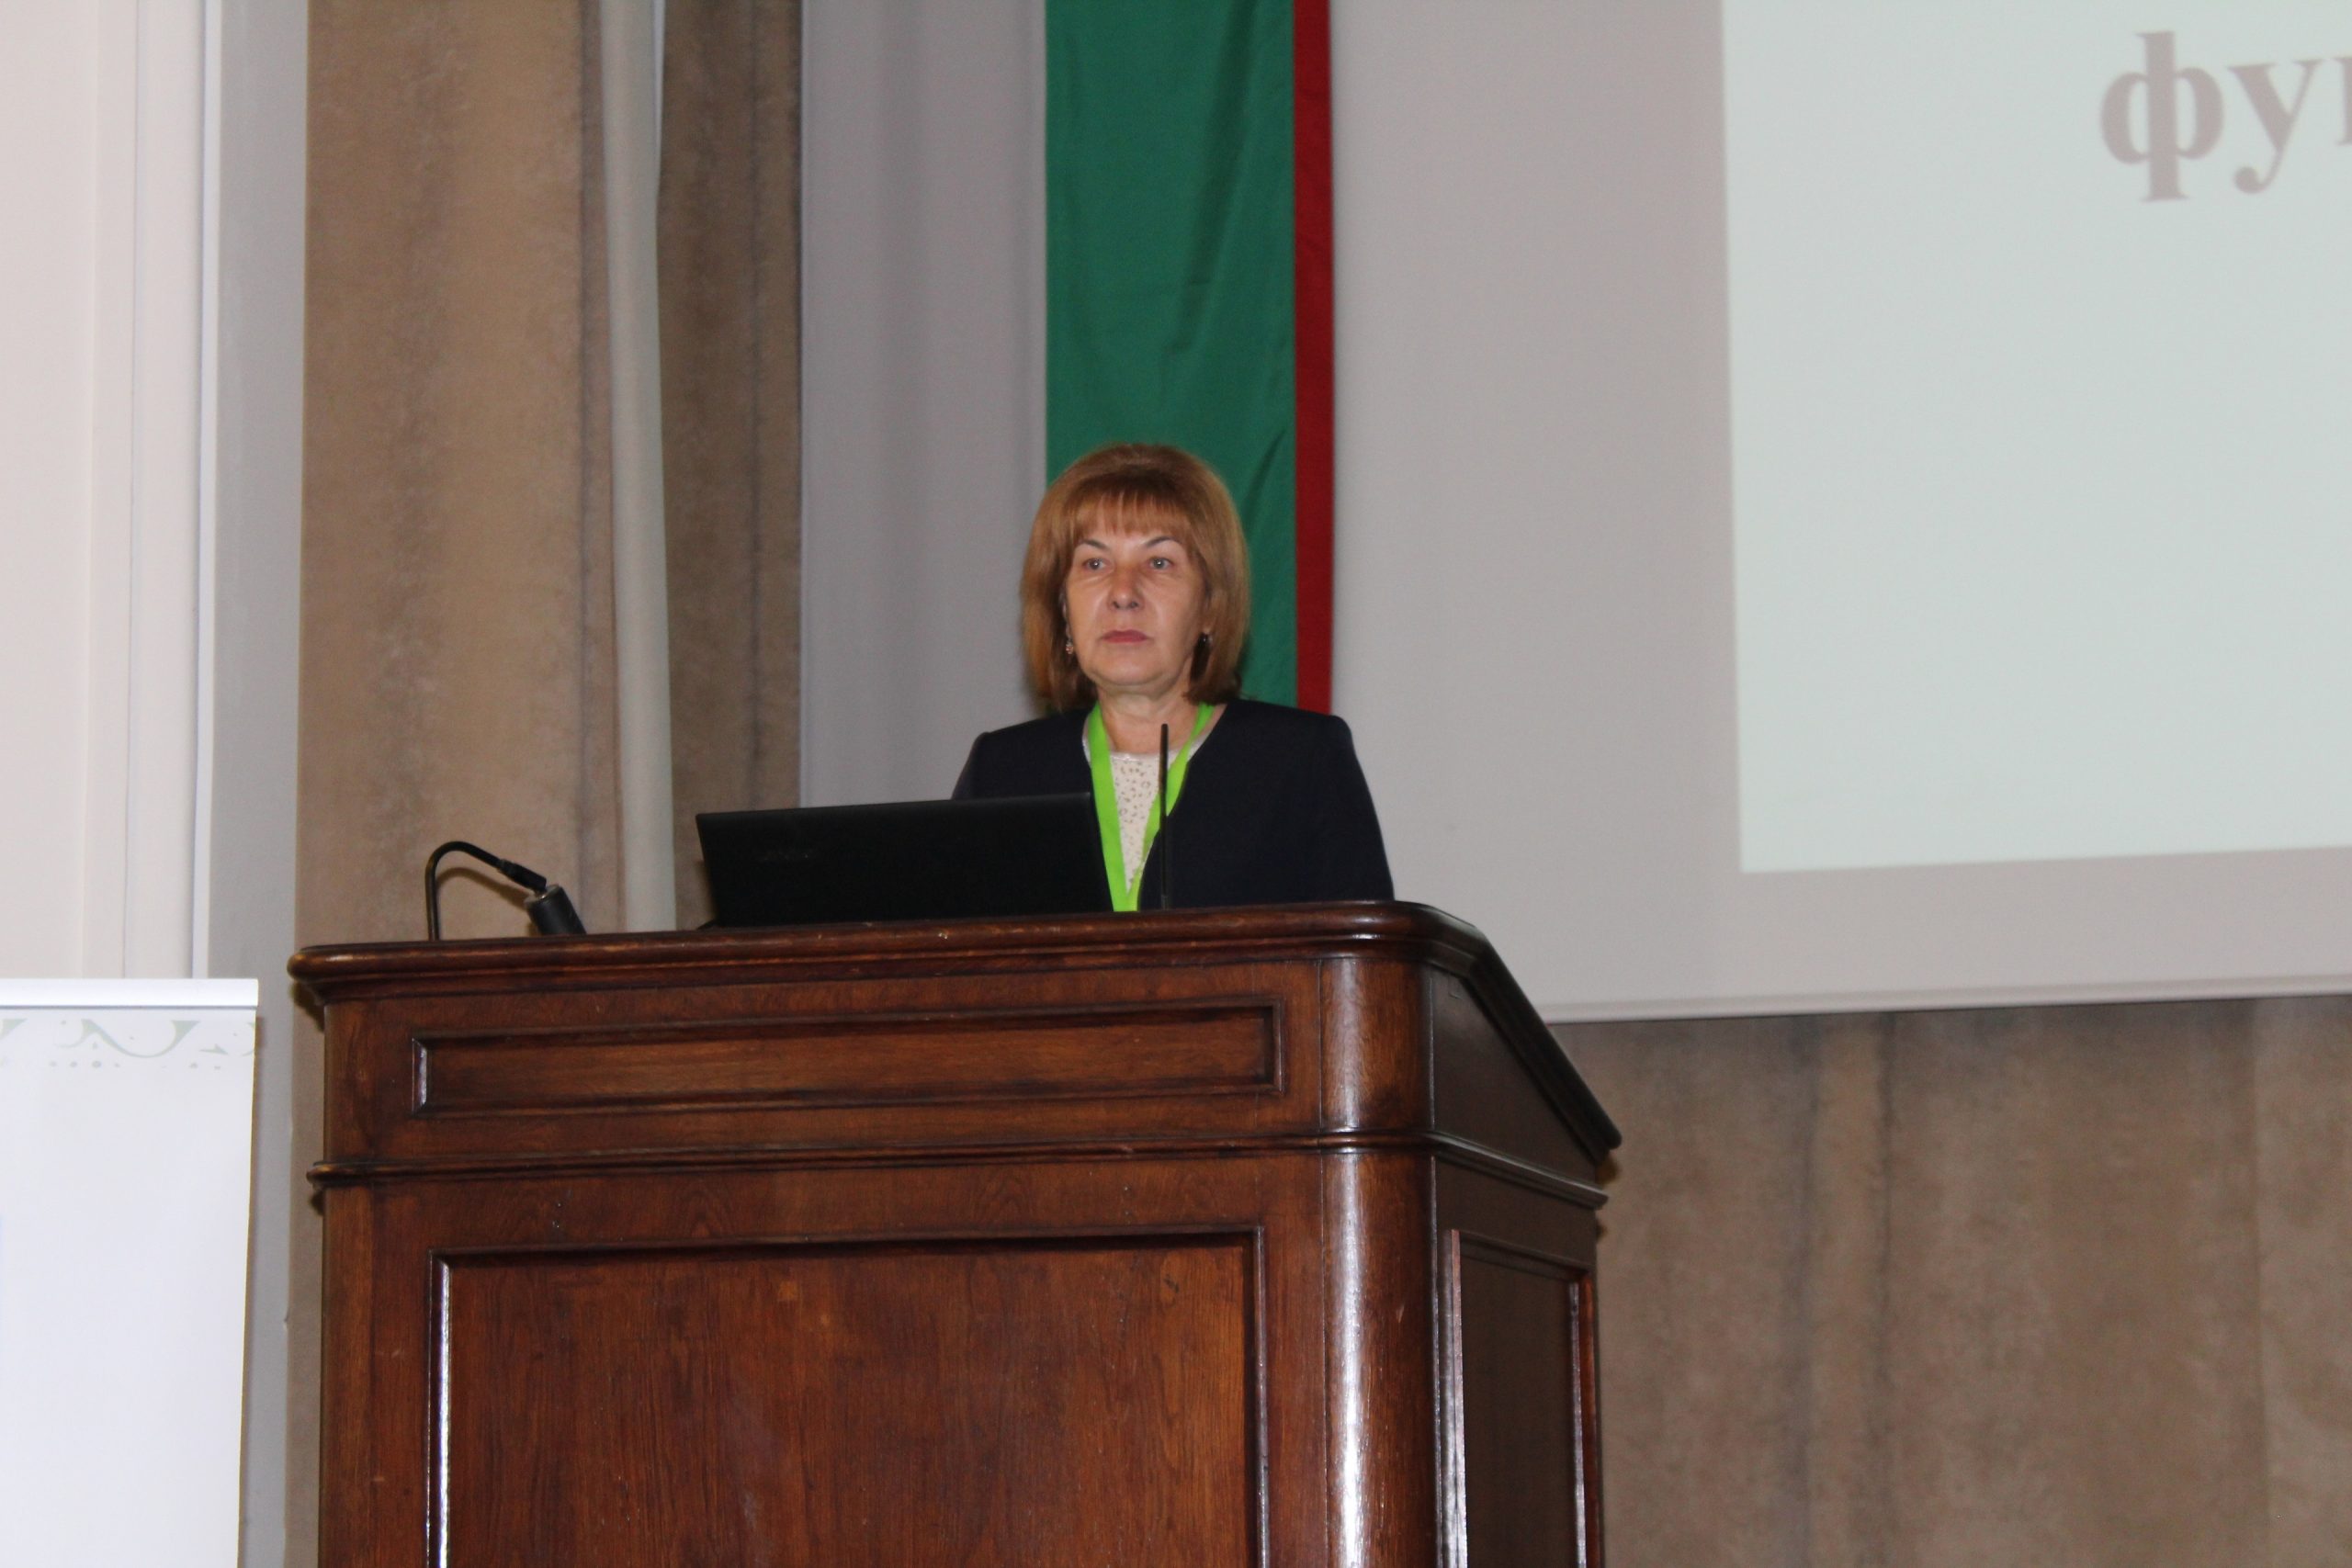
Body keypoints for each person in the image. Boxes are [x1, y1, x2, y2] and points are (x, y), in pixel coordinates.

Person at [954, 443, 1392, 910]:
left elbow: (1366, 951)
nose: (1123, 593)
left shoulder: (1301, 761)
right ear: (1063, 610)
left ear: (1210, 608)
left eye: (1159, 563)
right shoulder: (1003, 772)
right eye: (1094, 564)